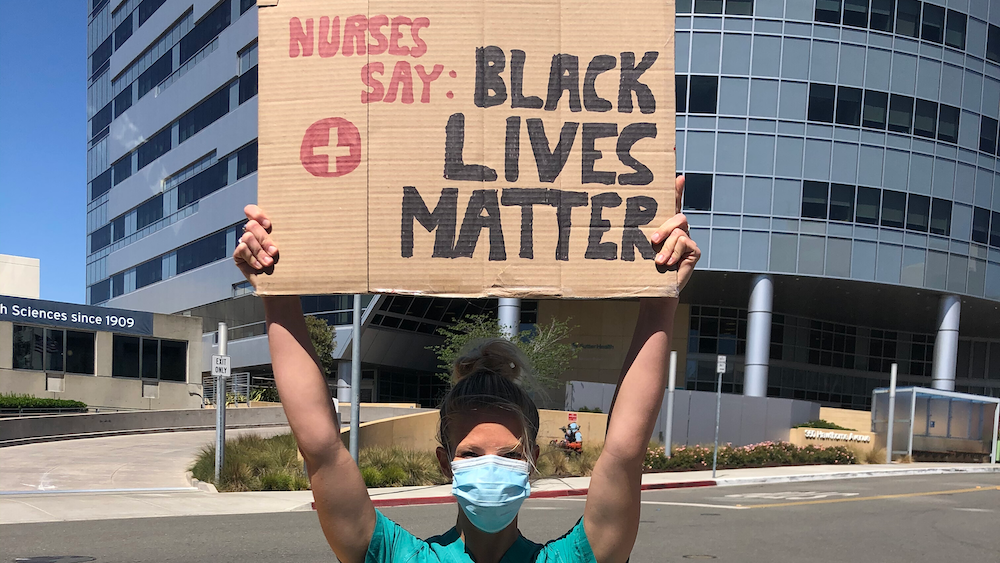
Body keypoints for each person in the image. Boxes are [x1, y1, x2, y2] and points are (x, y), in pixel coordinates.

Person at [233, 176, 700, 563]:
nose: (492, 469)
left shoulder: (574, 558)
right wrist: (277, 287)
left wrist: (662, 294)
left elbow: (624, 452)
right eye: (473, 455)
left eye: (511, 456)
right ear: (445, 462)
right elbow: (320, 447)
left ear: (534, 461)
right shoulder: (398, 557)